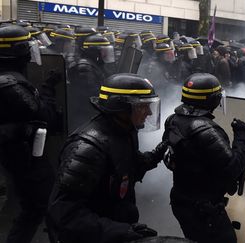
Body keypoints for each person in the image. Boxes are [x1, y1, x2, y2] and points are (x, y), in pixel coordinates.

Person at [46, 73, 167, 243]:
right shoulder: (88, 149)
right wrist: (121, 231)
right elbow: (65, 215)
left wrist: (159, 152)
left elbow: (125, 167)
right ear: (121, 108)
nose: (148, 112)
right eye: (143, 106)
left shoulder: (124, 130)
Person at [162, 73, 245, 243]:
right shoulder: (205, 129)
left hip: (182, 199)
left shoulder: (173, 120)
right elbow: (233, 168)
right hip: (203, 207)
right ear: (212, 100)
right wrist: (242, 136)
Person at [0, 24, 60, 243]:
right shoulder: (11, 84)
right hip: (23, 159)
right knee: (39, 208)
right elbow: (47, 116)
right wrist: (48, 89)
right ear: (17, 51)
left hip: (16, 156)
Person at [67, 33, 115, 132]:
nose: (106, 54)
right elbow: (92, 94)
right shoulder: (85, 67)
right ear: (94, 52)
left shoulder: (94, 64)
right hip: (84, 115)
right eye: (104, 51)